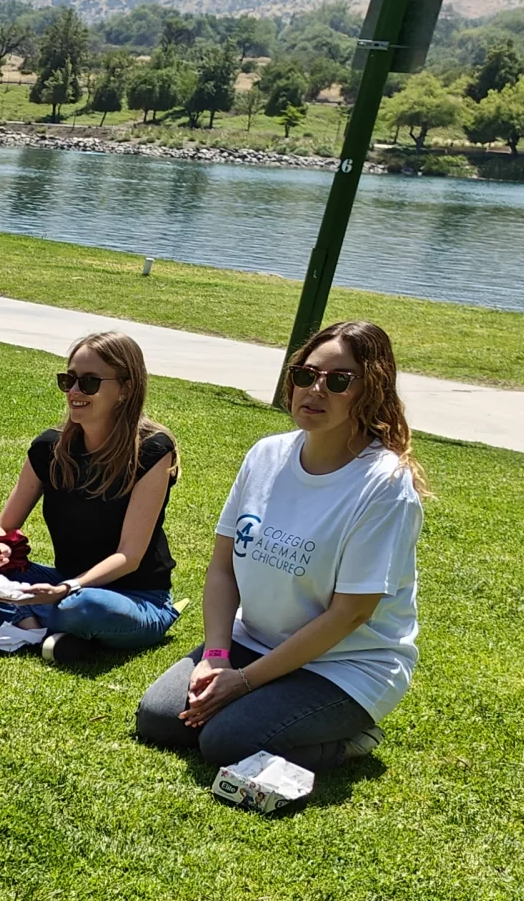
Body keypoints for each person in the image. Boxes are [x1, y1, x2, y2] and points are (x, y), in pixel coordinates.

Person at [134, 320, 422, 771]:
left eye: (338, 381)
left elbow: (351, 613)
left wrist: (244, 682)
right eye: (305, 375)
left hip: (345, 666)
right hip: (255, 641)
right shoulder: (266, 455)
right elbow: (223, 568)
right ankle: (259, 699)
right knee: (159, 718)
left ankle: (354, 738)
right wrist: (216, 656)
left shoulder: (384, 486)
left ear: (372, 389)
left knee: (227, 743)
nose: (314, 390)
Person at [0, 331, 181, 662]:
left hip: (131, 597)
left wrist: (68, 589)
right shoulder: (49, 448)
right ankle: (34, 624)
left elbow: (130, 556)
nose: (73, 391)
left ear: (125, 388)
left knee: (83, 606)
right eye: (68, 380)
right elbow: (4, 527)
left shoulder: (152, 450)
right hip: (61, 584)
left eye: (89, 382)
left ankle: (13, 614)